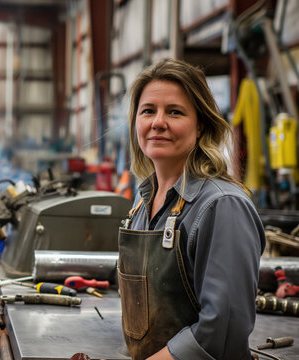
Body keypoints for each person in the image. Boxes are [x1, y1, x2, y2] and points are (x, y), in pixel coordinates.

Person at [118, 58, 265, 359]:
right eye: (148, 111)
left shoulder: (222, 206)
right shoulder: (142, 202)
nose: (158, 122)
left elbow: (221, 332)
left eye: (174, 112)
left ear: (200, 126)